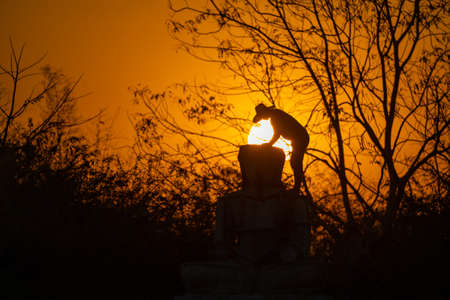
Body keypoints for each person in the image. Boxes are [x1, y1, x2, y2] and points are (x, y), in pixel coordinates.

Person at [252, 103, 309, 191]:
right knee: (295, 163)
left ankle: (297, 188)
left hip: (300, 138)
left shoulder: (275, 117)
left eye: (262, 116)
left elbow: (277, 134)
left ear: (265, 112)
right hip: (298, 138)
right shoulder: (275, 114)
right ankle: (297, 187)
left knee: (295, 162)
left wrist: (269, 144)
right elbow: (256, 120)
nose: (263, 119)